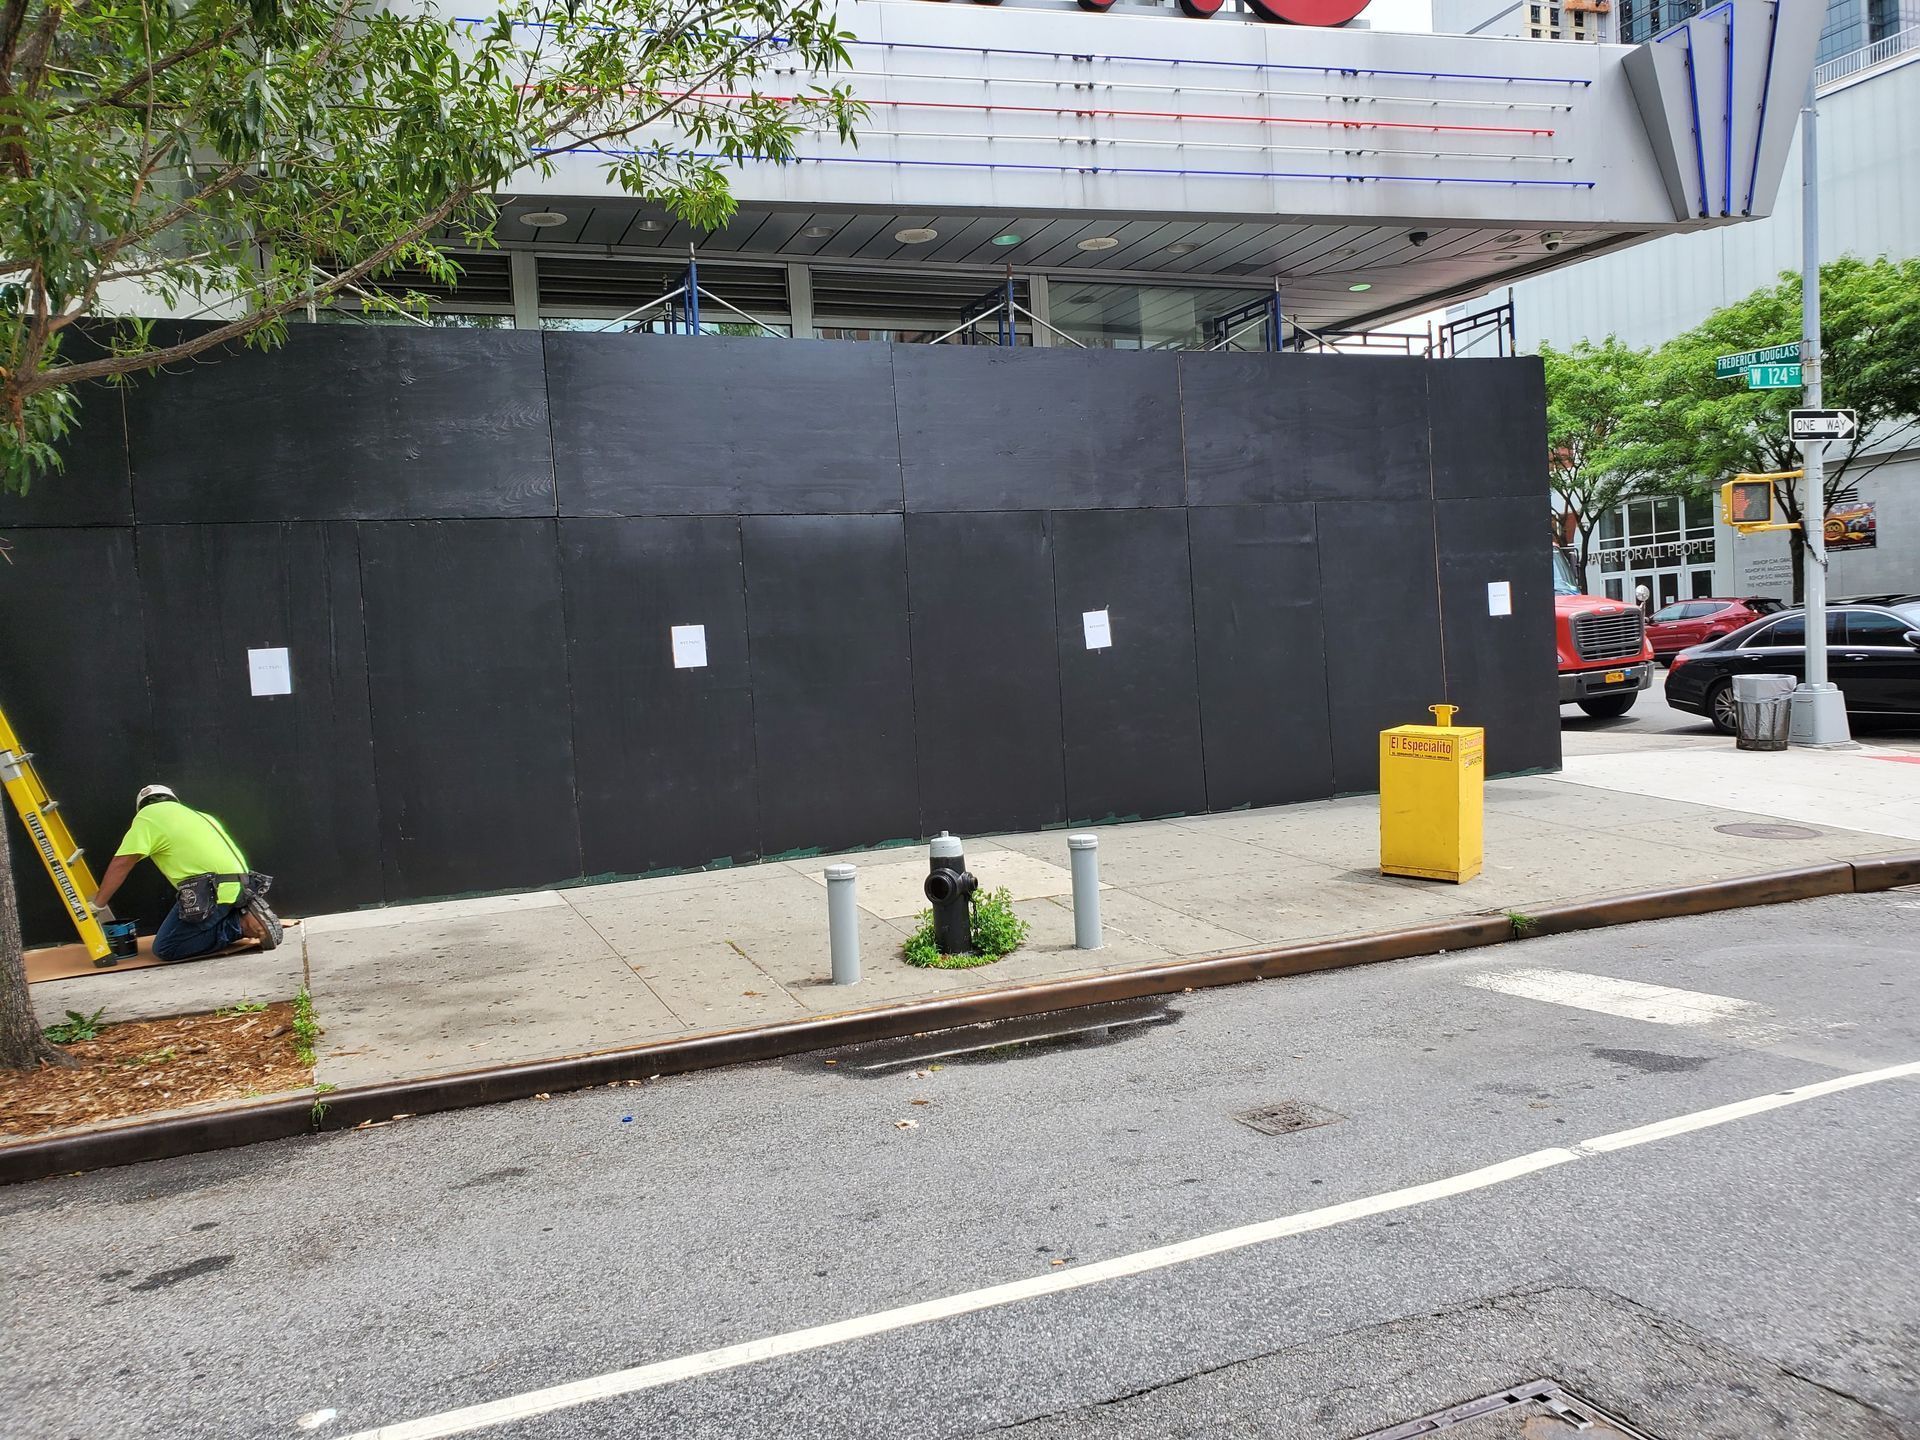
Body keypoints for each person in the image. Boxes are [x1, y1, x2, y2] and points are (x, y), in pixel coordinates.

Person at [90, 785, 283, 962]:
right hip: (242, 884)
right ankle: (242, 911)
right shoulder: (200, 815)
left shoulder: (146, 818)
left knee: (167, 947)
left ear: (141, 806)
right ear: (173, 800)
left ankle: (240, 924)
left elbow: (121, 863)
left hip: (213, 892)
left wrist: (98, 904)